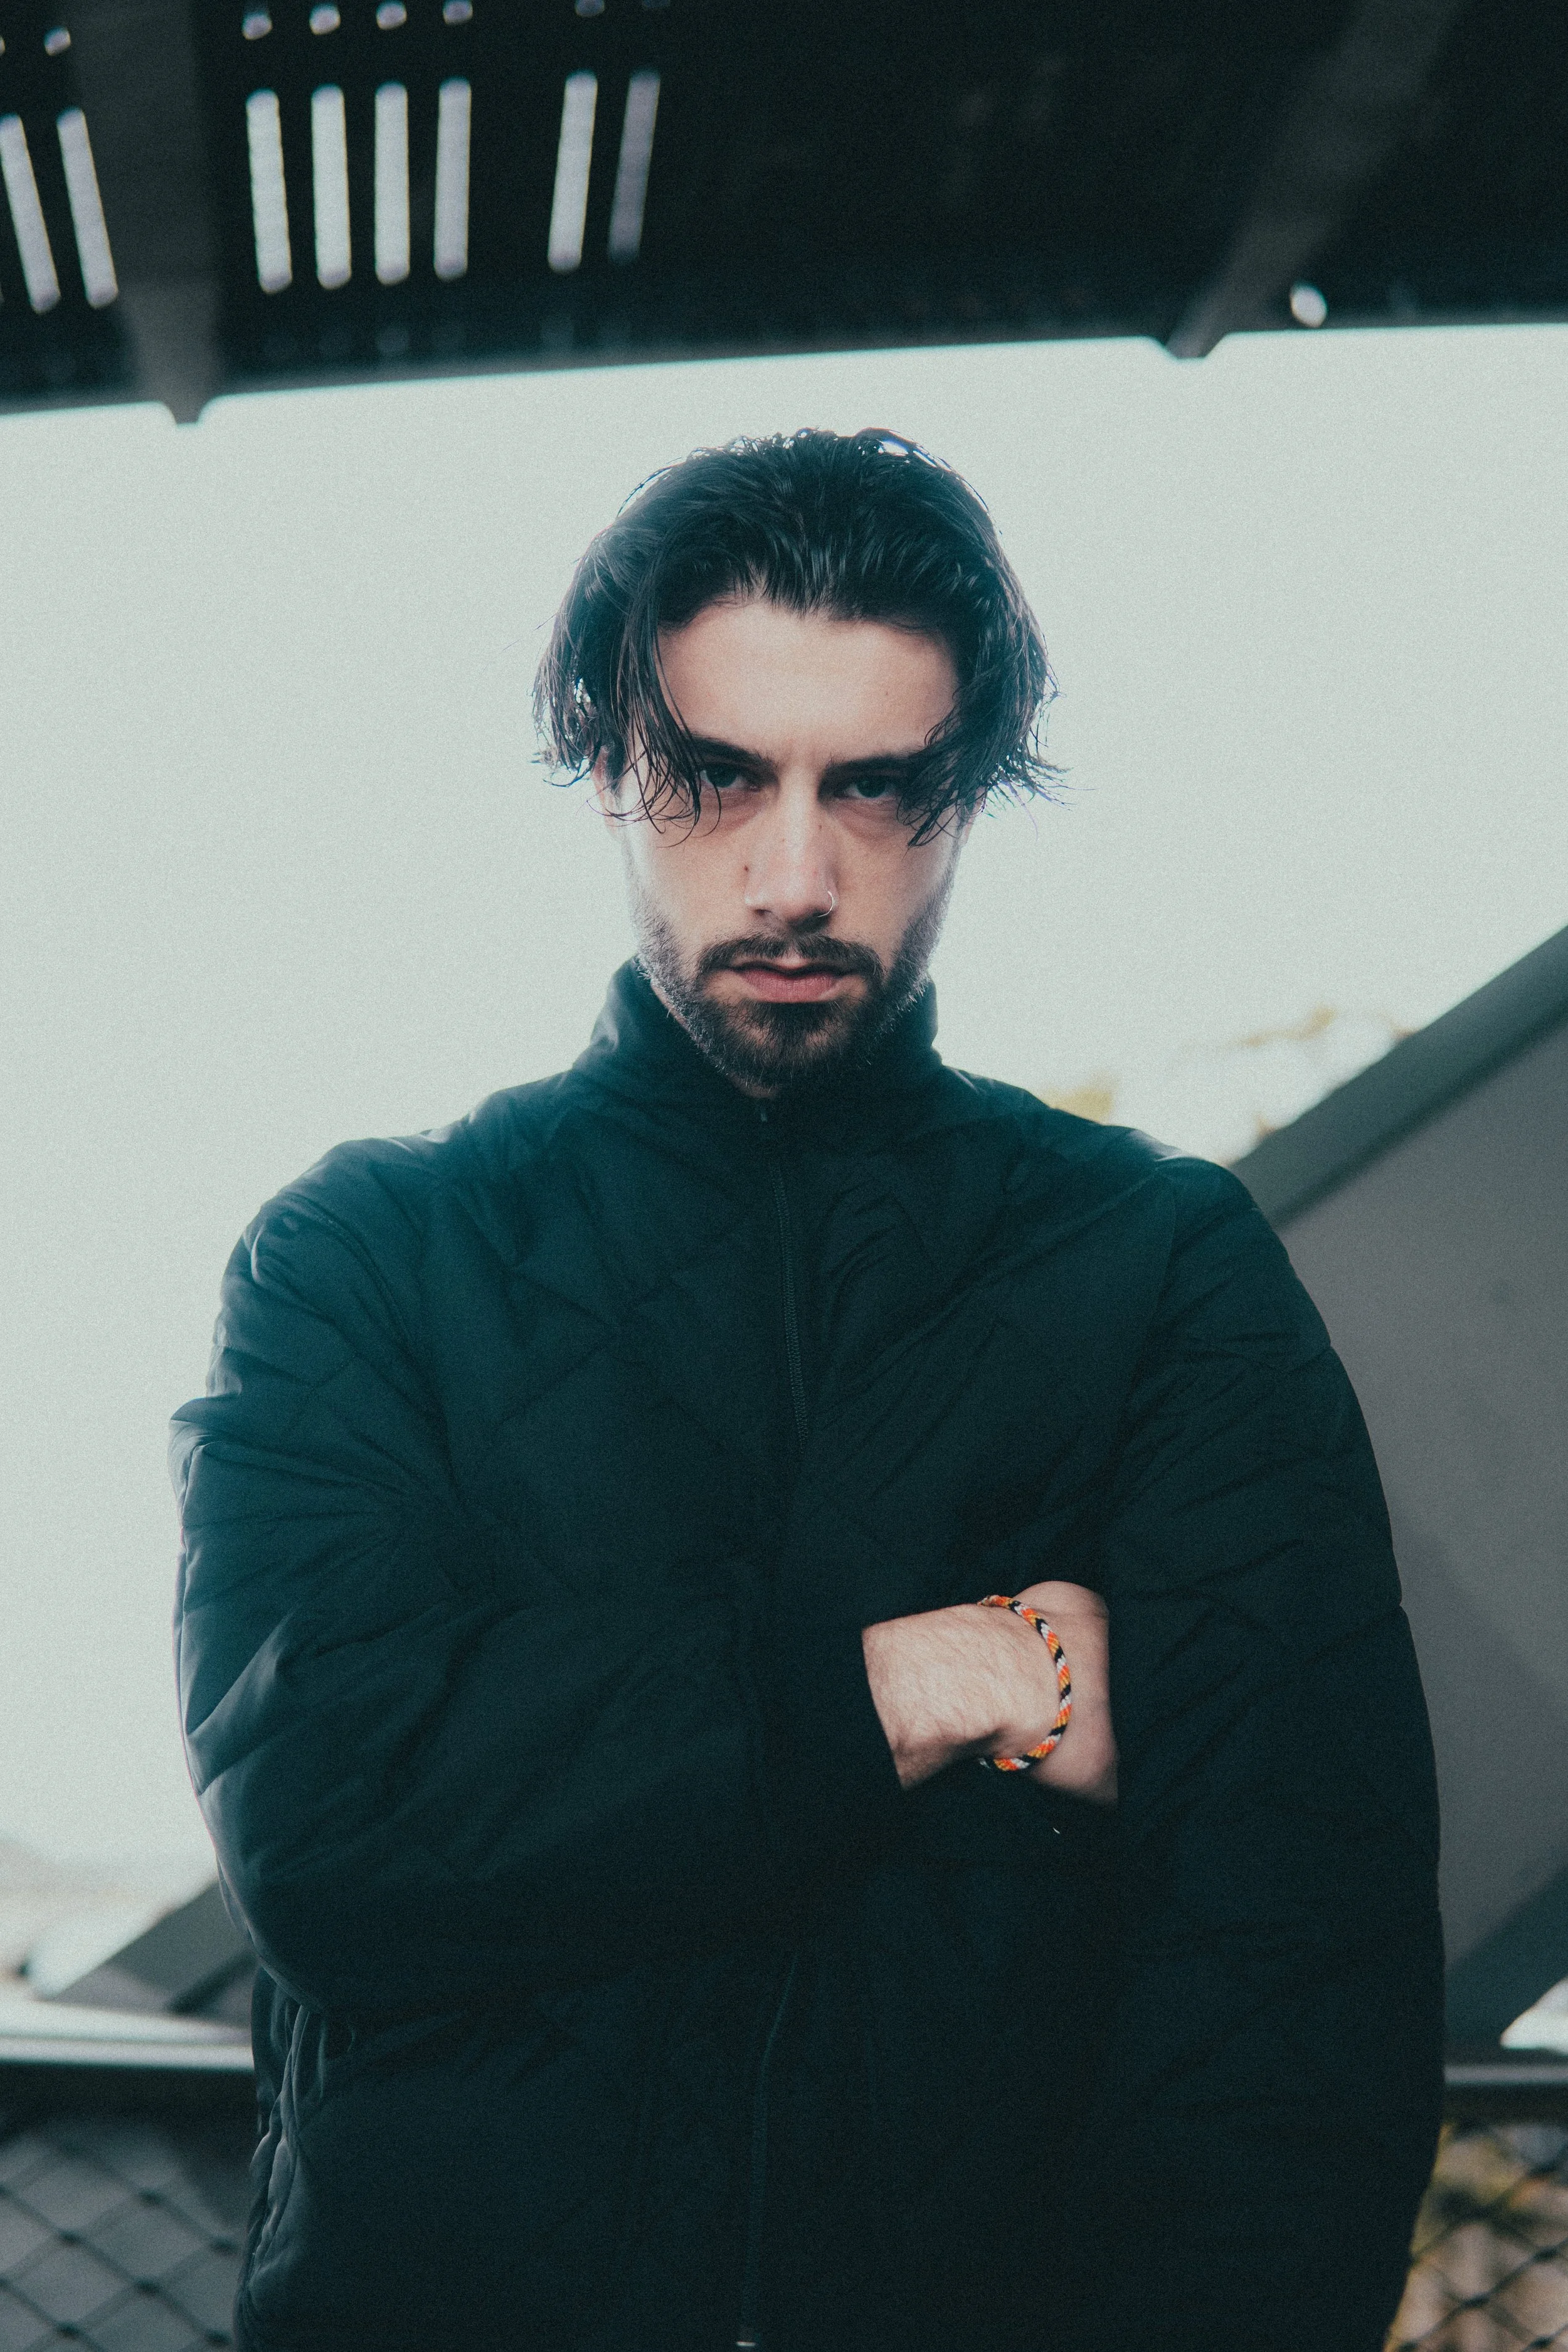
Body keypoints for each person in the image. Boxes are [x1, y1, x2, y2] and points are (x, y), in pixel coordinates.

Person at [169, 428, 1443, 2352]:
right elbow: (335, 1835)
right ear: (610, 760)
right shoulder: (362, 1256)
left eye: (876, 789)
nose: (792, 872)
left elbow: (1298, 1970)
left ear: (965, 796)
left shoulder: (1157, 1267)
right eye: (715, 777)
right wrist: (925, 1682)